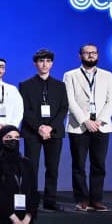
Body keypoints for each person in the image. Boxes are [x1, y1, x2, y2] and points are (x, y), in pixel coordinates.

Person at [63, 44, 112, 212]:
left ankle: (96, 199)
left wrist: (99, 121)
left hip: (102, 126)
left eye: (93, 53)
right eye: (87, 53)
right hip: (79, 126)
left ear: (97, 55)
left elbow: (111, 101)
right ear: (80, 56)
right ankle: (82, 199)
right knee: (78, 165)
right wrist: (85, 120)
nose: (91, 55)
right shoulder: (70, 75)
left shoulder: (107, 75)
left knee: (98, 164)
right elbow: (69, 101)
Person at [19, 49, 68, 211]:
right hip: (32, 132)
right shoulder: (25, 85)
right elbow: (25, 110)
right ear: (35, 63)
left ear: (52, 64)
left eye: (48, 61)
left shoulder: (60, 86)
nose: (44, 64)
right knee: (31, 168)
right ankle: (30, 201)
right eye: (41, 61)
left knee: (52, 168)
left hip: (54, 132)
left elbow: (63, 108)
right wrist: (39, 127)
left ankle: (50, 201)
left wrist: (50, 127)